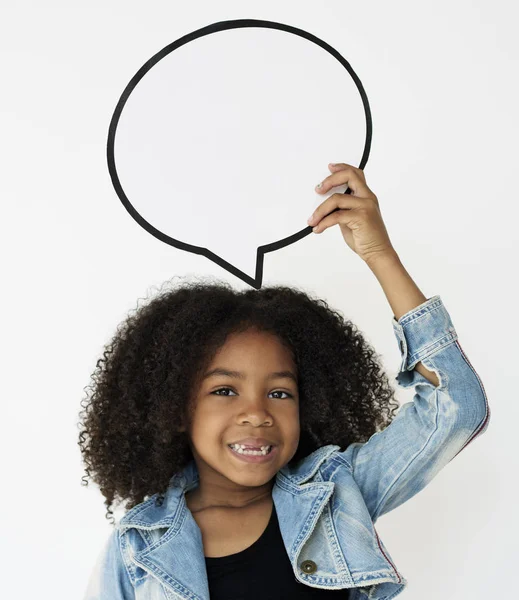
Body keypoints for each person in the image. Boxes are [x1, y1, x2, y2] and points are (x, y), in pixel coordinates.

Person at [79, 163, 490, 599]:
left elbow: (457, 407)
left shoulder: (335, 495)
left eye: (279, 392)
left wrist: (379, 254)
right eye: (224, 390)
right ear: (176, 410)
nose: (256, 413)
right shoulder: (138, 546)